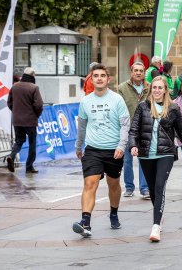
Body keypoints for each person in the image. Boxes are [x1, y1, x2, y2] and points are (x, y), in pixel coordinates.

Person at [128, 76, 182, 242]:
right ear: (151, 90)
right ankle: (159, 214)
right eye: (154, 88)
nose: (157, 91)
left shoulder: (172, 108)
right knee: (152, 189)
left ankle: (156, 226)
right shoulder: (143, 107)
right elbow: (134, 130)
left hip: (165, 153)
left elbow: (181, 132)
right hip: (145, 154)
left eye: (160, 88)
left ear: (166, 90)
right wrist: (133, 145)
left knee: (159, 186)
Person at [73, 64, 130, 237]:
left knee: (113, 184)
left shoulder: (117, 100)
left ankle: (113, 213)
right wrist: (78, 146)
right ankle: (85, 223)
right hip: (93, 150)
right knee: (90, 184)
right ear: (91, 78)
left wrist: (121, 146)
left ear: (108, 79)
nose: (99, 78)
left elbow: (125, 125)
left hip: (113, 151)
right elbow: (81, 127)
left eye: (102, 76)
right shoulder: (85, 101)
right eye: (96, 75)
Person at [117, 62, 150, 199]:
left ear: (144, 73)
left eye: (141, 71)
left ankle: (144, 188)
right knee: (127, 161)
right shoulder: (122, 88)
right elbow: (118, 109)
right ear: (131, 72)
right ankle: (129, 187)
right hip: (127, 129)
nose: (138, 73)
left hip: (144, 129)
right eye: (135, 70)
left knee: (143, 160)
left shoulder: (149, 88)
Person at [6, 67, 44, 173]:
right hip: (30, 120)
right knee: (32, 143)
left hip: (17, 119)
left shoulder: (15, 86)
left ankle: (11, 156)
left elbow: (9, 102)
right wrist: (37, 114)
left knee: (19, 141)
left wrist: (15, 112)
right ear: (32, 76)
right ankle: (29, 166)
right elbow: (39, 105)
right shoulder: (34, 87)